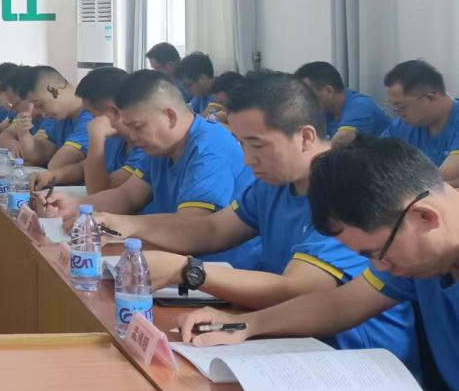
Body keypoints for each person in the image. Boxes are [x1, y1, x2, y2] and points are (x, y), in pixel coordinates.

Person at [94, 75, 414, 364]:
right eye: (242, 144)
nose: (247, 160)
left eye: (258, 145)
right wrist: (128, 224)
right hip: (283, 337)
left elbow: (299, 289)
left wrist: (188, 270)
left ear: (305, 137)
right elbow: (212, 229)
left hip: (347, 358)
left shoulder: (347, 193)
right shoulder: (273, 185)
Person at [177, 138, 459, 391]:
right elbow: (340, 304)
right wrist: (247, 325)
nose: (380, 268)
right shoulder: (416, 255)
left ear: (425, 217)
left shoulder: (415, 255)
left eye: (378, 254)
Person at [41, 69, 259, 265]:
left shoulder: (209, 148)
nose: (132, 137)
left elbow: (193, 222)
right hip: (175, 257)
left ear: (169, 116)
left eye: (137, 127)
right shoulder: (161, 148)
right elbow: (127, 196)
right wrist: (76, 205)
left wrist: (128, 224)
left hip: (218, 268)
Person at [0, 66, 91, 174]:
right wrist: (24, 135)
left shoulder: (90, 116)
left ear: (54, 89)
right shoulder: (60, 118)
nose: (42, 114)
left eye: (40, 105)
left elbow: (56, 165)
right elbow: (37, 156)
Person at [381, 60, 459, 184]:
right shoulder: (402, 125)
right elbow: (375, 162)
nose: (397, 113)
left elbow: (447, 174)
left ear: (430, 98)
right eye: (394, 106)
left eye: (401, 107)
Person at [71, 66, 146, 195]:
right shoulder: (115, 137)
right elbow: (86, 165)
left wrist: (96, 139)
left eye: (92, 114)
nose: (91, 121)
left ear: (114, 111)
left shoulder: (146, 146)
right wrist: (54, 175)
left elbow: (99, 193)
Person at [294, 60, 390, 147]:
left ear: (328, 91)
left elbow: (340, 141)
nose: (304, 100)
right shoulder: (326, 110)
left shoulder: (361, 105)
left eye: (308, 94)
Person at [177, 52, 216, 116]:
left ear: (202, 78)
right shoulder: (200, 96)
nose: (187, 91)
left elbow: (206, 118)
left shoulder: (221, 95)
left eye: (188, 86)